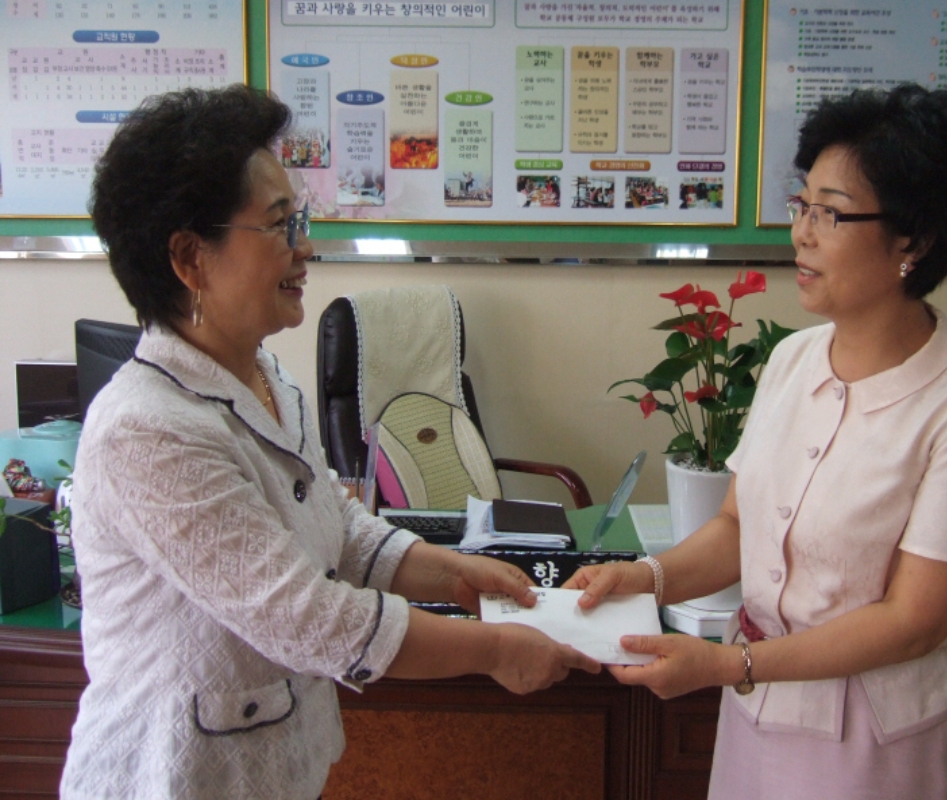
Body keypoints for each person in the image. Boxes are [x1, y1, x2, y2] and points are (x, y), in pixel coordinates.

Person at [60, 85, 599, 800]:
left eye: (300, 219)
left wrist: (451, 574)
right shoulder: (147, 431)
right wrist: (496, 649)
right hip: (169, 780)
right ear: (191, 259)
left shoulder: (267, 378)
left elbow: (336, 526)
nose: (305, 247)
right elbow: (303, 616)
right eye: (279, 225)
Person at [567, 83, 947, 799]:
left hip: (871, 739)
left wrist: (727, 666)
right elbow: (736, 526)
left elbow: (912, 623)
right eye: (802, 205)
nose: (802, 234)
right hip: (757, 704)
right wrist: (644, 578)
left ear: (914, 240)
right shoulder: (793, 359)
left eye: (831, 213)